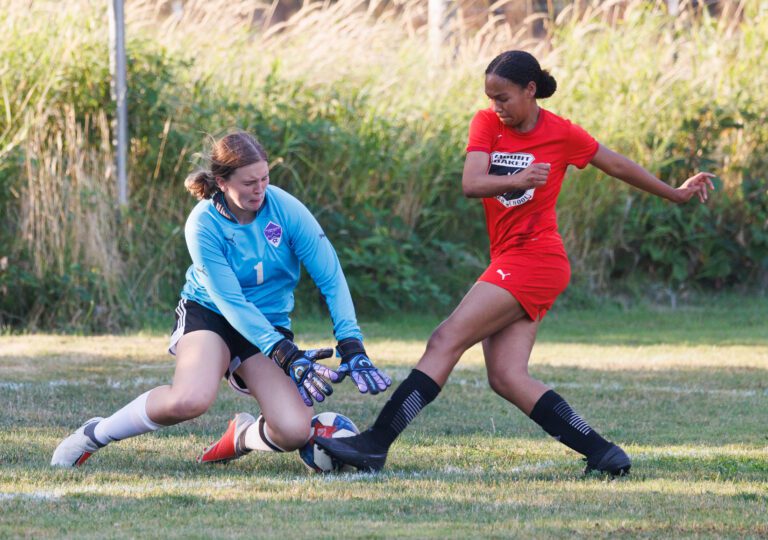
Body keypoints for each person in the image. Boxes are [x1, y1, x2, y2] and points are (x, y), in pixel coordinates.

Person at [315, 50, 715, 475]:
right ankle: (603, 453)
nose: (496, 107)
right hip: (511, 258)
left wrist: (675, 192)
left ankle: (375, 445)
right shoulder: (487, 123)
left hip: (538, 258)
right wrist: (518, 180)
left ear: (530, 90)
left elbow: (615, 164)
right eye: (491, 97)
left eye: (504, 97)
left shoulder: (562, 133)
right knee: (506, 377)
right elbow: (472, 183)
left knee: (445, 339)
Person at [51, 131, 390, 468]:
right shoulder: (202, 224)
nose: (260, 189)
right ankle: (96, 433)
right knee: (189, 400)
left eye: (264, 178)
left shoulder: (286, 210)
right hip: (210, 313)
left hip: (266, 322)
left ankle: (242, 436)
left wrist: (351, 342)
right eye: (248, 183)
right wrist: (285, 353)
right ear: (221, 182)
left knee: (293, 430)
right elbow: (230, 301)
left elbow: (330, 276)